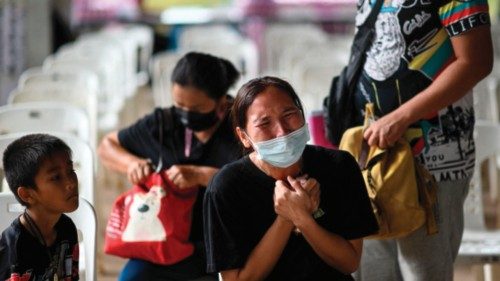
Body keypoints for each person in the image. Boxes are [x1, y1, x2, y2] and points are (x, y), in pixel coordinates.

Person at [350, 0, 493, 280]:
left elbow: (476, 62)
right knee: (373, 270)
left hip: (433, 158)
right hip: (374, 155)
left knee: (423, 271)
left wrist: (401, 117)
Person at [203, 76, 379, 281]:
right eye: (264, 123)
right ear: (244, 137)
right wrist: (286, 218)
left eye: (289, 114)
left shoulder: (339, 166)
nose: (281, 131)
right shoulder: (227, 187)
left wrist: (303, 219)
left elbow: (349, 262)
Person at [98, 52, 242, 281]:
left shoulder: (241, 129)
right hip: (166, 242)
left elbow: (258, 183)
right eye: (179, 105)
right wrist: (131, 163)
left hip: (226, 245)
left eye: (196, 109)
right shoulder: (165, 124)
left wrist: (204, 176)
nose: (185, 115)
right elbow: (107, 146)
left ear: (222, 102)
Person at [0, 134, 80, 281]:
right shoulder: (14, 246)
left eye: (71, 171)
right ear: (27, 194)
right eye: (56, 177)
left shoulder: (67, 228)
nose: (71, 183)